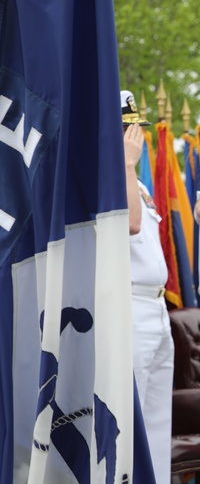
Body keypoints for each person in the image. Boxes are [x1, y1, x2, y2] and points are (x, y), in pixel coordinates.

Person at [121, 90, 173, 483]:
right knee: (130, 415)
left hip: (156, 308)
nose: (136, 135)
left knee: (157, 418)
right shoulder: (116, 173)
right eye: (129, 128)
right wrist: (125, 164)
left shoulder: (135, 181)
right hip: (130, 308)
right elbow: (130, 225)